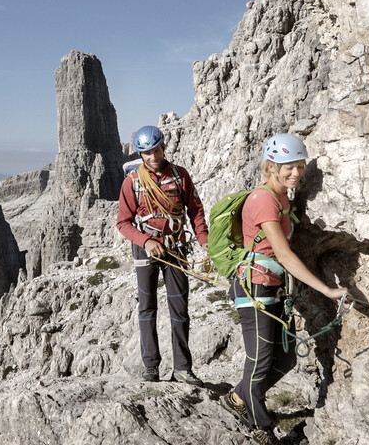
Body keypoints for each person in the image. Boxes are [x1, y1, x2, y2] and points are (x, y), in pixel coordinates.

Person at [219, 133, 349, 445]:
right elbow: (284, 254)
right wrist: (328, 290)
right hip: (255, 287)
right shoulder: (264, 199)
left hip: (273, 288)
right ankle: (261, 427)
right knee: (260, 360)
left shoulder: (281, 198)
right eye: (288, 167)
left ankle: (239, 397)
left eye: (301, 167)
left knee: (286, 359)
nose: (296, 173)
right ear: (271, 166)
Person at [116, 125, 209, 386]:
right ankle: (151, 367)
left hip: (176, 246)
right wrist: (145, 240)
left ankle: (182, 368)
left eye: (156, 151)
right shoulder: (132, 182)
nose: (153, 157)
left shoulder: (180, 177)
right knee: (147, 307)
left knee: (179, 308)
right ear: (140, 154)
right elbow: (123, 222)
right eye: (146, 153)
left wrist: (204, 240)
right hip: (146, 248)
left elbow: (195, 210)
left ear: (163, 147)